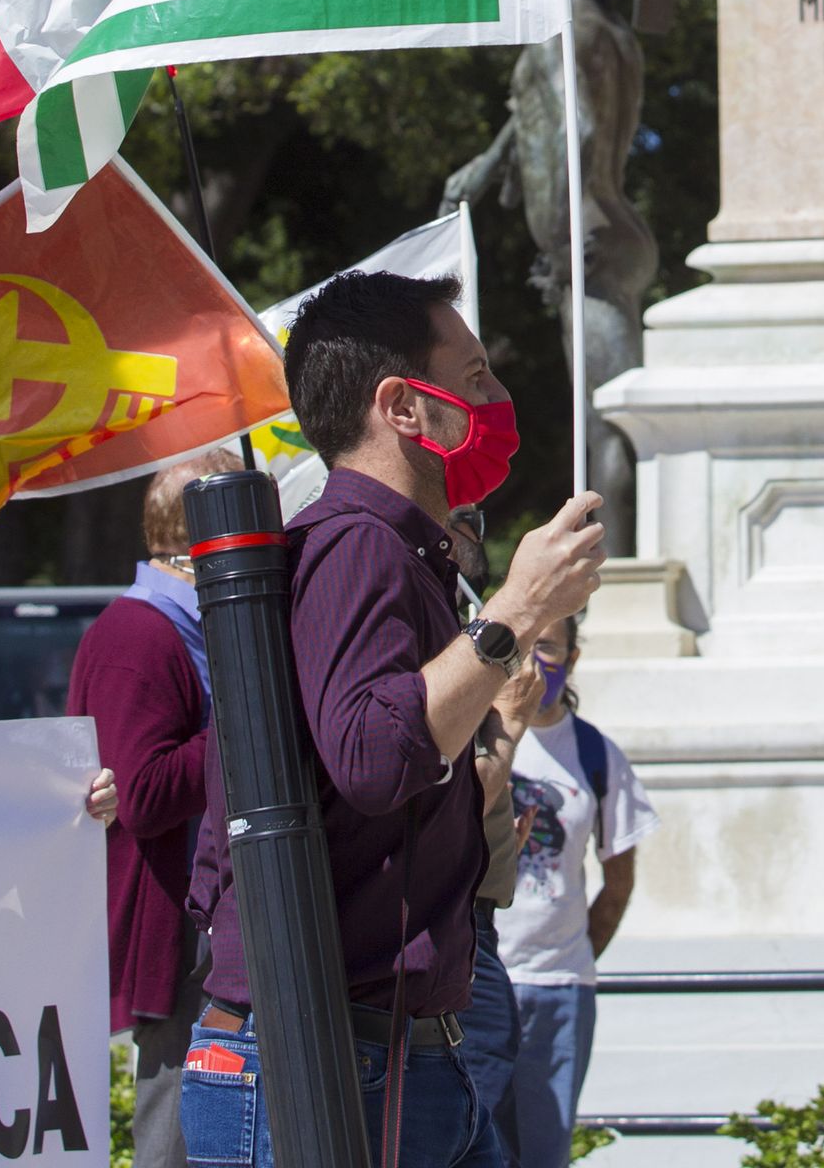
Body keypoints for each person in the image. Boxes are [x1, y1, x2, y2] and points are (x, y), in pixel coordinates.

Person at [182, 271, 605, 1168]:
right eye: (475, 374)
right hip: (329, 1066)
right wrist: (517, 610)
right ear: (404, 406)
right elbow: (375, 758)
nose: (496, 397)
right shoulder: (357, 545)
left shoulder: (396, 553)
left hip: (399, 1057)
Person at [67, 447, 241, 1168]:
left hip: (204, 915)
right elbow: (141, 794)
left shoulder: (185, 623)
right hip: (174, 927)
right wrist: (247, 726)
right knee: (175, 1117)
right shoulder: (140, 635)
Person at [500, 616, 658, 1168]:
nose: (531, 659)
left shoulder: (597, 755)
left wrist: (574, 952)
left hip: (558, 987)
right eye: (520, 644)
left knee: (544, 1152)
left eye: (546, 646)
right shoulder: (475, 735)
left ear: (572, 657)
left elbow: (620, 882)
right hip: (471, 991)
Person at [449, 500, 542, 1165]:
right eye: (462, 520)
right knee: (470, 1133)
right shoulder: (445, 641)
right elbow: (454, 788)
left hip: (472, 922)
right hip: (456, 929)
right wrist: (509, 720)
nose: (474, 537)